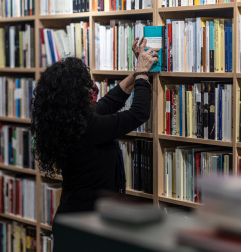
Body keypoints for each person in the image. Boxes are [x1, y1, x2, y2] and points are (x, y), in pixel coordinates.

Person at [31, 38, 158, 250]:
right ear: (74, 96)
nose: (92, 88)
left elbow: (108, 103)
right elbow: (138, 113)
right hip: (86, 227)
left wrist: (137, 72)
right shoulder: (88, 127)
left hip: (74, 221)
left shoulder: (67, 122)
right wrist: (143, 74)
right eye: (86, 85)